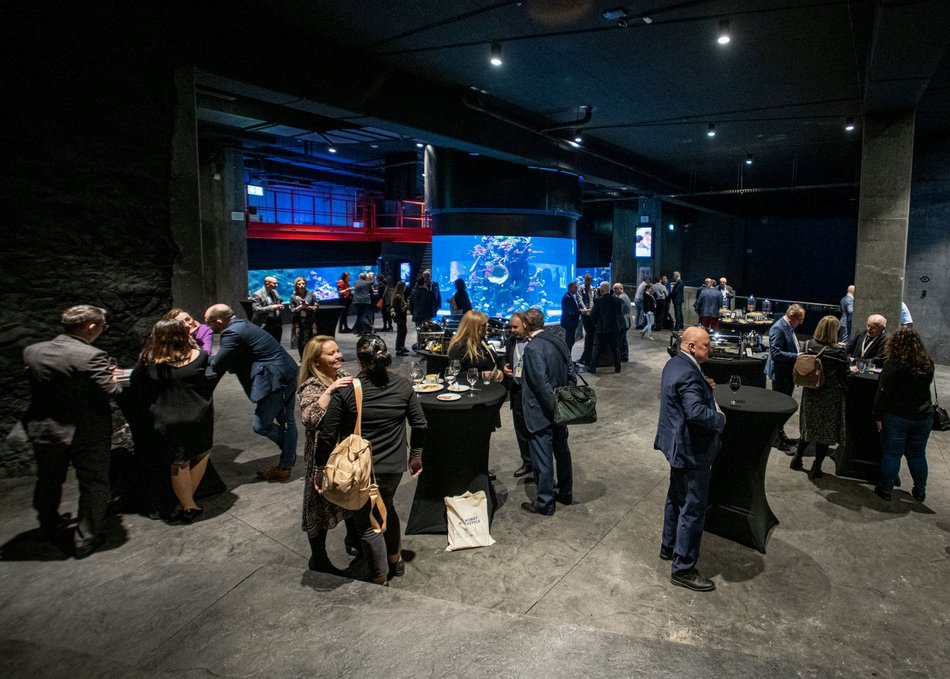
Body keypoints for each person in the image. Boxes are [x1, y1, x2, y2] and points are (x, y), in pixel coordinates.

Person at [316, 335, 426, 585]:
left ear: (360, 360)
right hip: (394, 466)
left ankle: (379, 577)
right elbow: (419, 423)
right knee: (387, 506)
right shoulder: (403, 385)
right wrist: (415, 456)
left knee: (366, 523)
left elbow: (327, 434)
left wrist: (320, 469)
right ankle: (396, 562)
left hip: (360, 470)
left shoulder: (347, 390)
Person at [21, 305, 121, 559]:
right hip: (86, 431)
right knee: (94, 482)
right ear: (90, 327)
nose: (102, 331)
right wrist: (112, 377)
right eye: (102, 326)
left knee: (48, 479)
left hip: (46, 428)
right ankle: (86, 538)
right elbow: (111, 391)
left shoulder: (32, 352)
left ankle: (48, 524)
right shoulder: (92, 355)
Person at [654, 326, 725, 592]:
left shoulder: (675, 363)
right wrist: (720, 419)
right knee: (692, 508)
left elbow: (681, 392)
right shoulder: (689, 373)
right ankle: (683, 568)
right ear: (691, 347)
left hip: (674, 446)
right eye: (707, 345)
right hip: (691, 450)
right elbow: (695, 413)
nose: (711, 348)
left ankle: (669, 546)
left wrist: (702, 386)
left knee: (675, 497)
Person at [130, 319, 215, 524]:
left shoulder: (149, 359)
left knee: (178, 462)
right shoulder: (200, 356)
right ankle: (186, 505)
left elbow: (135, 382)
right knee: (202, 454)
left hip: (165, 417)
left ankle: (186, 505)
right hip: (199, 415)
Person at [204, 304, 299, 482]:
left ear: (218, 321)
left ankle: (288, 454)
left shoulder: (231, 332)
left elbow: (217, 364)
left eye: (208, 323)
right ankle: (286, 463)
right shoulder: (241, 324)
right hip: (285, 371)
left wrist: (199, 356)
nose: (207, 327)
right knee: (288, 421)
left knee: (262, 425)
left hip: (276, 379)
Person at [296, 335, 355, 574]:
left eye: (338, 351)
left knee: (352, 498)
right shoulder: (311, 386)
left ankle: (354, 541)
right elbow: (309, 419)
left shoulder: (342, 376)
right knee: (318, 508)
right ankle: (318, 558)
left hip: (346, 451)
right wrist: (330, 391)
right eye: (331, 353)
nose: (338, 356)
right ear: (315, 361)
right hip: (323, 456)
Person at [520, 308, 574, 516]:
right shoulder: (558, 340)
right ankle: (566, 492)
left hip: (541, 413)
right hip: (561, 408)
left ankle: (544, 503)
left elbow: (540, 384)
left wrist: (553, 408)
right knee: (562, 452)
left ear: (526, 325)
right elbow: (571, 370)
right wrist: (563, 403)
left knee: (542, 459)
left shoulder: (532, 349)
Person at [873, 328, 933, 502]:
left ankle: (885, 490)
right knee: (917, 455)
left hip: (896, 416)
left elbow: (883, 392)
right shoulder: (927, 363)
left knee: (892, 454)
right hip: (923, 417)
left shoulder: (894, 364)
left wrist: (877, 415)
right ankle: (920, 491)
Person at [789, 316, 850, 479]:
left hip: (810, 390)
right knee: (824, 432)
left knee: (809, 427)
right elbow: (845, 375)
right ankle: (816, 467)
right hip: (830, 394)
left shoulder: (808, 344)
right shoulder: (839, 351)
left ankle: (797, 458)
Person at [766, 303, 805, 452]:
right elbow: (776, 353)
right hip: (781, 374)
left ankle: (780, 434)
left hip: (787, 374)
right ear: (792, 317)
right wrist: (797, 356)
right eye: (800, 319)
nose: (801, 323)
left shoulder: (788, 327)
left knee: (785, 407)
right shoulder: (778, 328)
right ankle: (775, 438)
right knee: (780, 407)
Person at [502, 312, 532, 479]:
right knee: (520, 429)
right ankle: (527, 462)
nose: (512, 330)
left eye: (515, 327)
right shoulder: (511, 340)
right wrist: (504, 367)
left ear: (525, 325)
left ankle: (538, 465)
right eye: (511, 327)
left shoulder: (536, 342)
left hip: (532, 392)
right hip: (517, 391)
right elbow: (506, 359)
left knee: (533, 431)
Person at [446, 310, 503, 377]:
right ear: (473, 327)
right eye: (483, 325)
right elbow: (454, 374)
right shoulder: (459, 346)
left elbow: (493, 356)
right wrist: (481, 375)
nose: (486, 328)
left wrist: (498, 371)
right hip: (472, 385)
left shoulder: (482, 341)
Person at [590, 282, 623, 374]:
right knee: (615, 348)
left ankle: (593, 367)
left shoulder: (598, 300)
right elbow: (619, 314)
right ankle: (617, 367)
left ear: (601, 290)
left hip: (601, 328)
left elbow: (593, 314)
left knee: (597, 348)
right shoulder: (617, 300)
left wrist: (595, 324)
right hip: (614, 328)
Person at [290, 276, 319, 359]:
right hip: (298, 321)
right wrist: (299, 307)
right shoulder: (293, 296)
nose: (302, 285)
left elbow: (316, 306)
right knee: (300, 339)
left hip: (310, 319)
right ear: (296, 285)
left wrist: (307, 307)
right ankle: (302, 358)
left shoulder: (311, 294)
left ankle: (311, 356)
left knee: (311, 338)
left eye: (303, 283)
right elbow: (292, 310)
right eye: (299, 284)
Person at [250, 276, 285, 342]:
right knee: (266, 342)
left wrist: (279, 306)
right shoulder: (257, 294)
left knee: (277, 341)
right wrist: (272, 307)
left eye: (276, 283)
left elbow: (277, 303)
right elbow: (256, 309)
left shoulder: (275, 292)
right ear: (267, 283)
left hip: (277, 321)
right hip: (265, 322)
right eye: (274, 283)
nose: (276, 285)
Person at [577, 274, 597, 365]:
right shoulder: (581, 288)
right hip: (585, 314)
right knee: (589, 333)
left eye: (589, 280)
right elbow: (579, 299)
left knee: (590, 334)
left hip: (592, 314)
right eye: (587, 280)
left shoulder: (593, 289)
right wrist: (584, 308)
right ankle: (586, 355)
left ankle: (587, 355)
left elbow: (594, 300)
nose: (588, 282)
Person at [613, 282, 632, 361]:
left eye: (615, 289)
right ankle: (625, 356)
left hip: (623, 322)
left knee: (620, 340)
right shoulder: (624, 296)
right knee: (623, 339)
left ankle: (621, 357)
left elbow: (618, 311)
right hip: (627, 321)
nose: (614, 291)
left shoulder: (621, 298)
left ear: (620, 289)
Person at [560, 282, 581, 353]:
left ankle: (568, 359)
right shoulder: (567, 297)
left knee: (570, 341)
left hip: (571, 324)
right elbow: (570, 312)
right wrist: (580, 312)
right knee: (569, 342)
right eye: (575, 287)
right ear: (570, 288)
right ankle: (568, 361)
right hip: (569, 323)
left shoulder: (570, 296)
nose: (576, 289)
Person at [391, 280, 409, 356]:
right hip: (399, 317)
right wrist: (405, 307)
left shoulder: (401, 295)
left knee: (403, 331)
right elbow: (397, 308)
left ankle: (401, 346)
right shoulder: (397, 296)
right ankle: (398, 349)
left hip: (402, 317)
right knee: (401, 332)